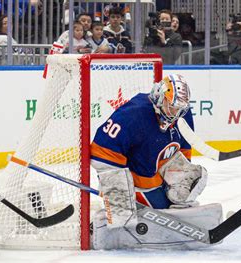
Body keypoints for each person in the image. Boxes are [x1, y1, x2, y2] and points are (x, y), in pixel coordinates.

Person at [90, 74, 219, 250]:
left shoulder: (183, 114)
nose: (175, 113)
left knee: (195, 175)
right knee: (123, 214)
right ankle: (115, 220)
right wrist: (118, 195)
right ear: (159, 96)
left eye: (179, 108)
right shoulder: (134, 113)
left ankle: (173, 206)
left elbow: (184, 149)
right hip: (135, 178)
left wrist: (175, 183)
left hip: (155, 171)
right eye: (171, 106)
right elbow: (101, 150)